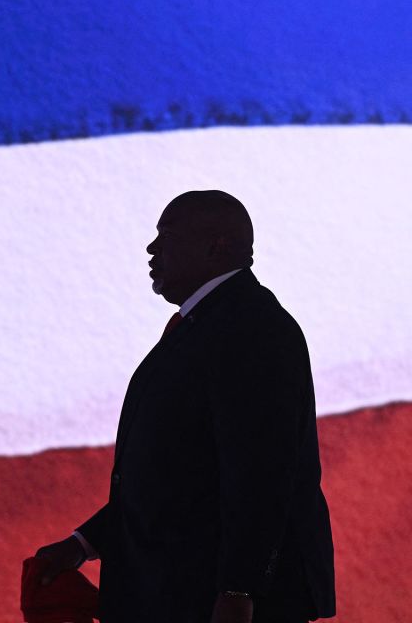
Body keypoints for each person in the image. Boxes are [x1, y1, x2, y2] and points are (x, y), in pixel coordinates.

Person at [34, 190, 336, 623]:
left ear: (217, 245)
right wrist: (83, 544)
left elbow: (261, 475)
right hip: (180, 594)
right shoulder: (205, 325)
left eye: (167, 235)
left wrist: (239, 590)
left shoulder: (254, 328)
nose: (152, 248)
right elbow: (178, 477)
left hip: (217, 603)